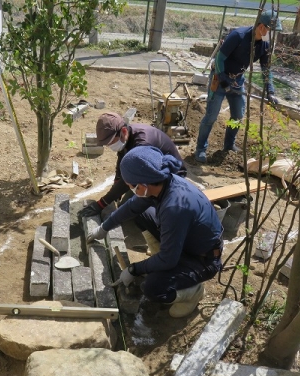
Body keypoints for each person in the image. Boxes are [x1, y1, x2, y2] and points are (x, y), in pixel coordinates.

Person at [86, 146, 223, 318]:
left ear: (143, 185)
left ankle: (193, 292)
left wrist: (134, 269)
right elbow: (131, 207)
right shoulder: (162, 183)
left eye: (130, 185)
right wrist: (104, 227)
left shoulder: (175, 207)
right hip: (186, 242)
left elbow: (168, 259)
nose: (129, 188)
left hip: (203, 259)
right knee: (141, 214)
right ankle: (161, 257)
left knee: (152, 287)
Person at [194, 10, 282, 164]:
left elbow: (266, 70)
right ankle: (201, 148)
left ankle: (229, 145)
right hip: (220, 77)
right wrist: (223, 80)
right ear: (262, 27)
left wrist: (270, 91)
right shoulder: (238, 36)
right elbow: (220, 58)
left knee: (238, 115)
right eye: (271, 30)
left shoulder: (265, 45)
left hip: (237, 81)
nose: (272, 35)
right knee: (211, 116)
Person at [78, 112, 187, 218]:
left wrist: (101, 204)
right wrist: (116, 182)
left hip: (171, 176)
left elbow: (130, 178)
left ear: (123, 131)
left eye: (111, 142)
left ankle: (162, 213)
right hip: (150, 171)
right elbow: (122, 158)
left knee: (131, 212)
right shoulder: (126, 136)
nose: (110, 146)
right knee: (124, 205)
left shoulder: (143, 143)